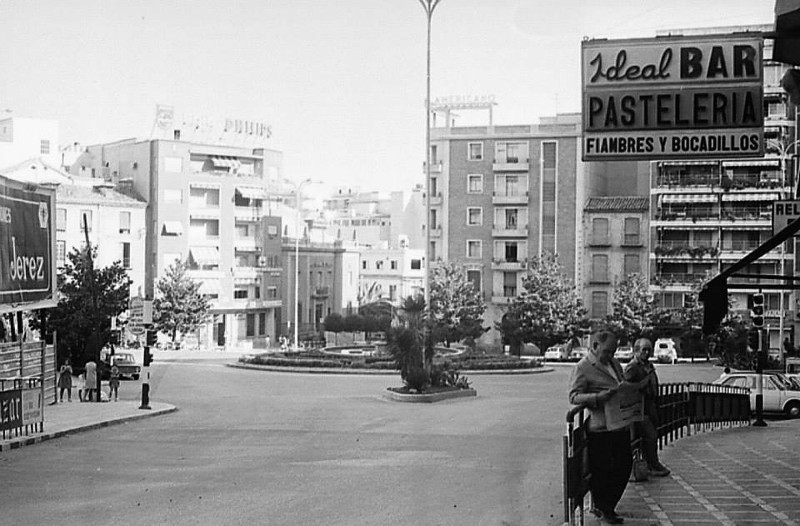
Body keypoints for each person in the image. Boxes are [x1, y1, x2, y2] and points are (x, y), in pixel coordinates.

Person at [568, 330, 631, 525]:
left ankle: (607, 504)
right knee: (602, 469)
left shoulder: (615, 364)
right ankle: (606, 508)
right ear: (595, 346)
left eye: (613, 351)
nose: (610, 355)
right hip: (600, 426)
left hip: (619, 423)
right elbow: (573, 396)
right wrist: (596, 398)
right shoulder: (584, 367)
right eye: (606, 351)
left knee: (624, 465)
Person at [624, 338, 670, 478]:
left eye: (649, 350)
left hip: (650, 407)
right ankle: (652, 464)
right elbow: (625, 388)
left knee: (651, 436)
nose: (647, 353)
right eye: (644, 350)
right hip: (639, 410)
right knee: (650, 436)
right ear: (636, 350)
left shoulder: (648, 366)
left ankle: (650, 464)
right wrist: (642, 385)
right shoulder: (633, 367)